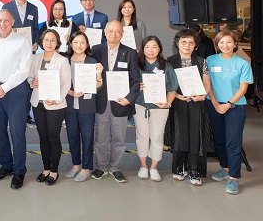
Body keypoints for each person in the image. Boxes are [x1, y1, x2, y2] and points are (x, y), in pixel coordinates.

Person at [0, 9, 32, 189]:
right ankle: (6, 165)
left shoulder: (22, 41)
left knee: (17, 132)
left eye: (6, 21)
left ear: (12, 22)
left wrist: (3, 87)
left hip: (16, 91)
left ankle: (19, 171)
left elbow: (24, 69)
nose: (2, 24)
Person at [91, 20, 140, 183]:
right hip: (101, 102)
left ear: (122, 34)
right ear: (105, 32)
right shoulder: (95, 50)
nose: (114, 34)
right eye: (110, 31)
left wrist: (129, 99)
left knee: (119, 139)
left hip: (121, 103)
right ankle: (101, 166)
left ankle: (116, 168)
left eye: (117, 31)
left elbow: (135, 80)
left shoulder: (131, 53)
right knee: (101, 139)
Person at [206, 30, 253, 195]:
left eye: (228, 42)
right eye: (221, 42)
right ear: (217, 45)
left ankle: (234, 177)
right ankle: (225, 169)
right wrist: (213, 101)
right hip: (214, 105)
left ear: (235, 44)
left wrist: (228, 104)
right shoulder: (210, 60)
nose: (224, 45)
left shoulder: (242, 63)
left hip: (234, 107)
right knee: (218, 140)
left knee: (233, 143)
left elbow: (243, 88)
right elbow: (208, 84)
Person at [166, 29, 214, 186]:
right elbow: (166, 83)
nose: (187, 45)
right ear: (177, 43)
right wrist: (177, 96)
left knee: (195, 136)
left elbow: (207, 83)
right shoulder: (170, 61)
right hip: (178, 103)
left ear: (196, 45)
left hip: (197, 103)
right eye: (183, 42)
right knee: (180, 135)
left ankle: (195, 171)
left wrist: (203, 95)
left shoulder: (201, 61)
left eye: (191, 42)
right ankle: (180, 168)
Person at [28, 30, 71, 186]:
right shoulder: (36, 58)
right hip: (38, 103)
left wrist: (57, 99)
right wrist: (32, 82)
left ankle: (54, 171)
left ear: (57, 42)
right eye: (46, 40)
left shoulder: (62, 60)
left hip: (55, 105)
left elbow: (66, 84)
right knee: (43, 138)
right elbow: (29, 76)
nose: (49, 42)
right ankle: (45, 168)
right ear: (42, 41)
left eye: (53, 40)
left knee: (53, 138)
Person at [134, 36, 178, 182]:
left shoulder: (166, 66)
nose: (151, 50)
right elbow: (128, 83)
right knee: (142, 136)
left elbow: (172, 88)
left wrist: (168, 103)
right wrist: (136, 87)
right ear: (142, 49)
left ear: (159, 49)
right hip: (140, 106)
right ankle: (143, 166)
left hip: (160, 108)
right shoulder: (137, 64)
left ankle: (154, 167)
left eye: (154, 47)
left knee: (157, 137)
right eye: (147, 47)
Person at [65, 31, 103, 182]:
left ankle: (86, 167)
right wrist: (71, 92)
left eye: (82, 42)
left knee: (87, 137)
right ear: (71, 44)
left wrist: (99, 75)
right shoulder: (64, 61)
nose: (79, 45)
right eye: (75, 42)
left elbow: (99, 86)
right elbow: (60, 83)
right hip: (69, 105)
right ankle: (76, 165)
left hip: (87, 106)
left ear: (87, 45)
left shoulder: (92, 62)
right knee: (72, 136)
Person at [2, 0, 39, 124]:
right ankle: (11, 112)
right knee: (13, 81)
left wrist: (35, 42)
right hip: (13, 52)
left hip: (29, 51)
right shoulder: (7, 7)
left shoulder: (33, 8)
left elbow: (35, 28)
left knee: (27, 82)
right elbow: (3, 28)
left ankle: (26, 113)